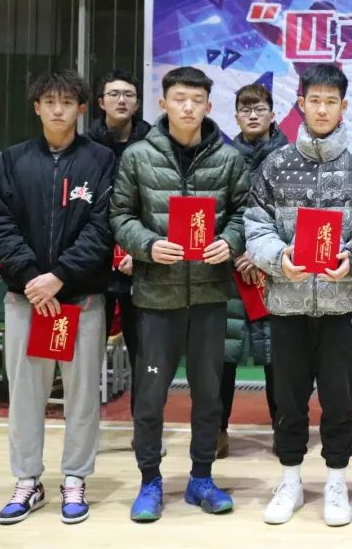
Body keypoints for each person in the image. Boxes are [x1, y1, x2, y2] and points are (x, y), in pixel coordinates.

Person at [245, 63, 352, 527]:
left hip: (342, 303)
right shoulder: (276, 163)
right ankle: (290, 479)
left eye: (332, 101)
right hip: (288, 303)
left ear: (344, 106)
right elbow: (256, 224)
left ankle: (335, 481)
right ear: (301, 104)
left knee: (337, 398)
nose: (323, 109)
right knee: (288, 399)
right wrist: (278, 259)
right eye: (315, 101)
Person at [111, 66, 249, 522]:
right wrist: (148, 245)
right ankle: (149, 480)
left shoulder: (229, 159)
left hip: (210, 297)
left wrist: (229, 242)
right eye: (179, 99)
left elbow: (245, 213)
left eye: (196, 100)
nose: (188, 107)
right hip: (156, 298)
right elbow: (120, 215)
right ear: (163, 103)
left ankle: (201, 478)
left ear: (208, 105)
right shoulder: (137, 156)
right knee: (150, 395)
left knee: (209, 396)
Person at [0, 71, 115, 525]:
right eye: (49, 101)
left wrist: (59, 277)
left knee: (82, 396)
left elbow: (103, 228)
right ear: (36, 107)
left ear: (81, 108)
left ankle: (75, 478)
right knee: (25, 395)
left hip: (82, 299)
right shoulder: (13, 161)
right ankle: (28, 481)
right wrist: (32, 280)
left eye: (67, 102)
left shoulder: (101, 160)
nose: (58, 109)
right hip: (26, 300)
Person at [218, 83, 288, 458]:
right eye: (245, 109)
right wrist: (235, 250)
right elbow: (217, 212)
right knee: (223, 353)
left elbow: (293, 215)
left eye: (260, 108)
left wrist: (260, 254)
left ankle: (284, 430)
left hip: (275, 270)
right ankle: (216, 431)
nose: (253, 115)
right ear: (235, 117)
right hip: (228, 270)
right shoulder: (222, 157)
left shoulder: (290, 157)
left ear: (273, 114)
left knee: (277, 356)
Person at [86, 71, 151, 419]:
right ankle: (84, 427)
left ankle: (145, 427)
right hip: (93, 265)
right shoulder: (85, 146)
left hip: (139, 264)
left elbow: (159, 206)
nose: (121, 100)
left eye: (128, 94)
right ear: (101, 102)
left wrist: (141, 253)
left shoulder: (154, 143)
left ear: (137, 103)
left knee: (145, 352)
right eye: (114, 94)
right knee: (87, 351)